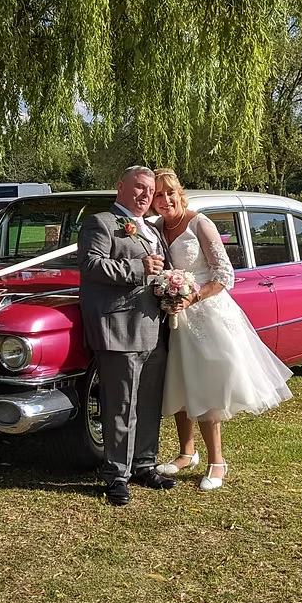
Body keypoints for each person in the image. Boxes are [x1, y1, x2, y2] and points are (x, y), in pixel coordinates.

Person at [150, 169, 293, 491]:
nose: (165, 200)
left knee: (205, 386)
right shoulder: (156, 228)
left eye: (169, 193)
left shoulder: (199, 223)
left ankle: (218, 461)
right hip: (171, 317)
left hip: (206, 316)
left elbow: (224, 273)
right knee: (177, 384)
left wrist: (192, 295)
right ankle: (187, 453)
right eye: (158, 195)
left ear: (179, 193)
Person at [77, 166, 178, 506]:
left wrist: (173, 291)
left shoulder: (151, 228)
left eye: (149, 190)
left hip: (154, 329)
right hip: (119, 330)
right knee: (120, 407)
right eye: (139, 187)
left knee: (148, 405)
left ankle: (144, 464)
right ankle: (116, 475)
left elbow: (162, 270)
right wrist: (138, 269)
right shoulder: (101, 222)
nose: (146, 195)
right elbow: (90, 266)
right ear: (120, 187)